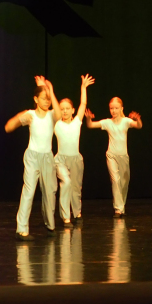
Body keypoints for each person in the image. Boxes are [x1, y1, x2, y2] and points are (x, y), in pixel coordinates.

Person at [5, 77, 61, 241]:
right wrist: (17, 119)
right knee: (28, 191)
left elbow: (59, 115)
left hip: (47, 157)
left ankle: (50, 225)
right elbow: (10, 126)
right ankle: (21, 229)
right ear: (36, 99)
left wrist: (51, 91)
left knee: (49, 192)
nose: (47, 101)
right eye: (44, 98)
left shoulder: (52, 114)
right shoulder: (31, 115)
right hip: (32, 157)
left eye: (49, 99)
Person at [85, 98, 142, 217]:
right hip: (111, 155)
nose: (114, 110)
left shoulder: (126, 121)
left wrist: (138, 119)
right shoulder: (107, 122)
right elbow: (90, 125)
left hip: (123, 156)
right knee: (115, 180)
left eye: (116, 108)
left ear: (121, 108)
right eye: (111, 108)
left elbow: (138, 126)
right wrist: (88, 118)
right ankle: (118, 209)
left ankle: (122, 207)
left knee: (124, 183)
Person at [54, 74, 95, 227]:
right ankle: (66, 217)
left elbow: (83, 103)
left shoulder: (77, 122)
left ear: (72, 110)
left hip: (76, 159)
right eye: (61, 109)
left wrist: (83, 88)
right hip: (61, 160)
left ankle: (77, 213)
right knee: (66, 183)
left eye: (67, 109)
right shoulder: (56, 124)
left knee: (76, 187)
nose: (64, 111)